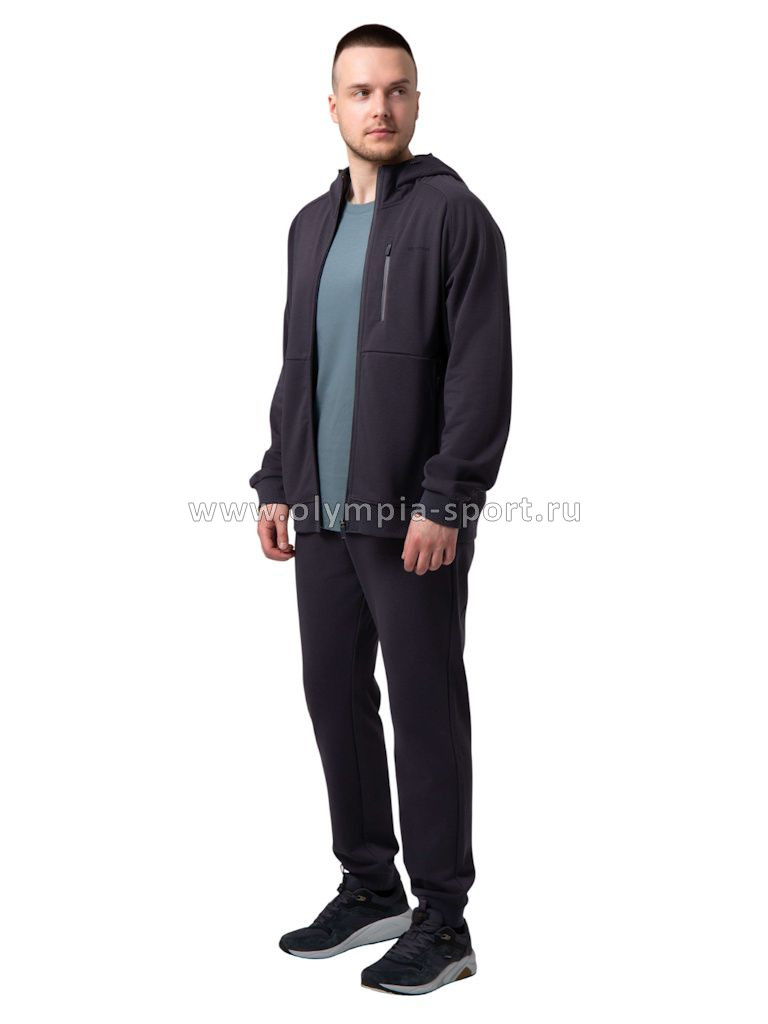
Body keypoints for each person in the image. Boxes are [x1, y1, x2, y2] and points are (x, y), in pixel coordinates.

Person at [249, 24, 512, 996]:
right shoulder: (308, 227)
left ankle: (444, 919)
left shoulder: (455, 216)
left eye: (396, 89)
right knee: (333, 694)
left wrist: (449, 498)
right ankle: (370, 886)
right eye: (361, 91)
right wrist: (276, 480)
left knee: (425, 708)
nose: (380, 107)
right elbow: (300, 366)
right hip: (322, 513)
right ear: (333, 106)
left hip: (413, 520)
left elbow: (481, 373)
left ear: (417, 101)